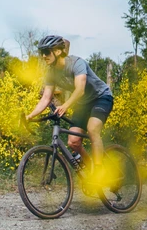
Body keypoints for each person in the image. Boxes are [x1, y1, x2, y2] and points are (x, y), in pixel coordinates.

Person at [25, 34, 114, 184]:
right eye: (41, 53)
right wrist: (30, 116)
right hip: (83, 103)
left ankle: (100, 171)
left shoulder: (76, 63)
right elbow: (46, 98)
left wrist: (65, 105)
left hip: (101, 97)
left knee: (92, 129)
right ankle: (91, 167)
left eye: (46, 52)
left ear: (58, 52)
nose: (43, 56)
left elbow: (80, 90)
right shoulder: (51, 73)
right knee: (73, 142)